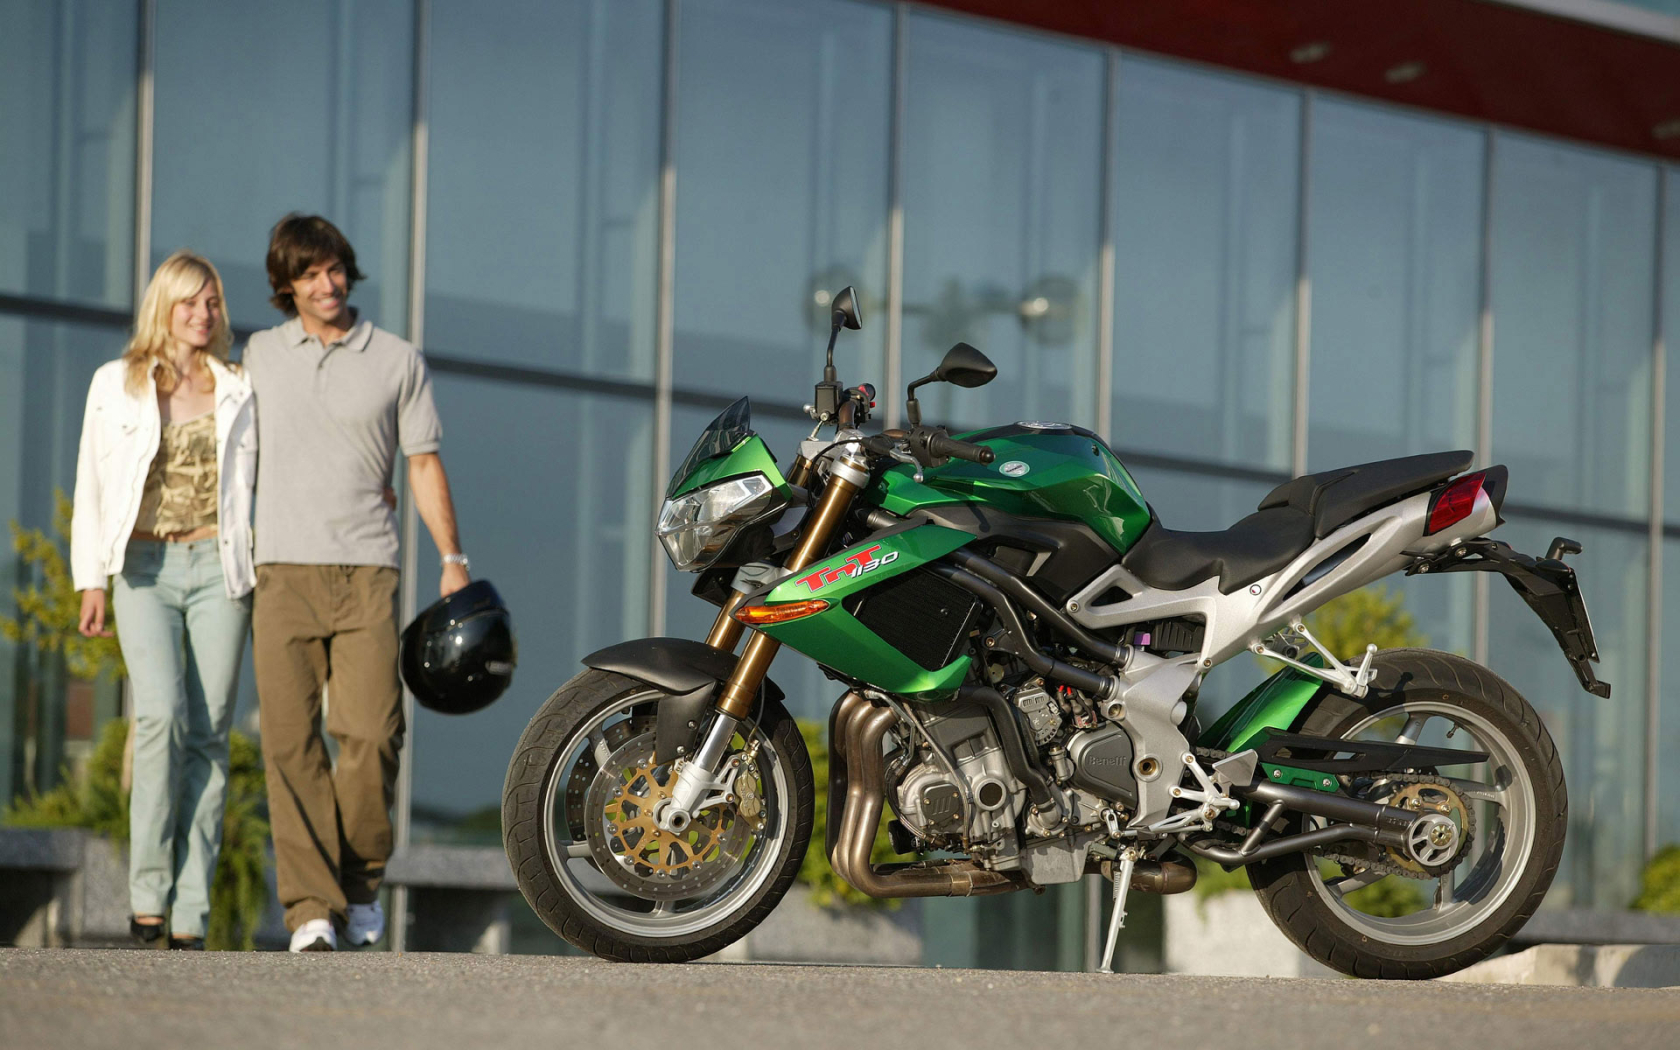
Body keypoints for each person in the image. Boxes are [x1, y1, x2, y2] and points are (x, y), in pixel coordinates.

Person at [245, 213, 469, 952]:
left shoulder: (397, 359)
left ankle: (360, 882)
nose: (328, 283)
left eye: (335, 268)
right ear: (286, 285)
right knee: (289, 743)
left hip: (369, 569)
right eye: (310, 273)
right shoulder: (259, 355)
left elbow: (423, 464)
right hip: (281, 570)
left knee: (374, 733)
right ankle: (311, 907)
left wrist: (453, 560)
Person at [70, 250, 256, 950]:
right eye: (188, 302)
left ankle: (189, 913)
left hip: (218, 569)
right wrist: (91, 578)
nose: (202, 314)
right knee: (160, 716)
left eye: (211, 302)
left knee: (209, 734)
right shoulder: (115, 383)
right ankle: (146, 895)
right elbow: (90, 485)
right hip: (142, 567)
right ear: (163, 306)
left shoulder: (240, 386)